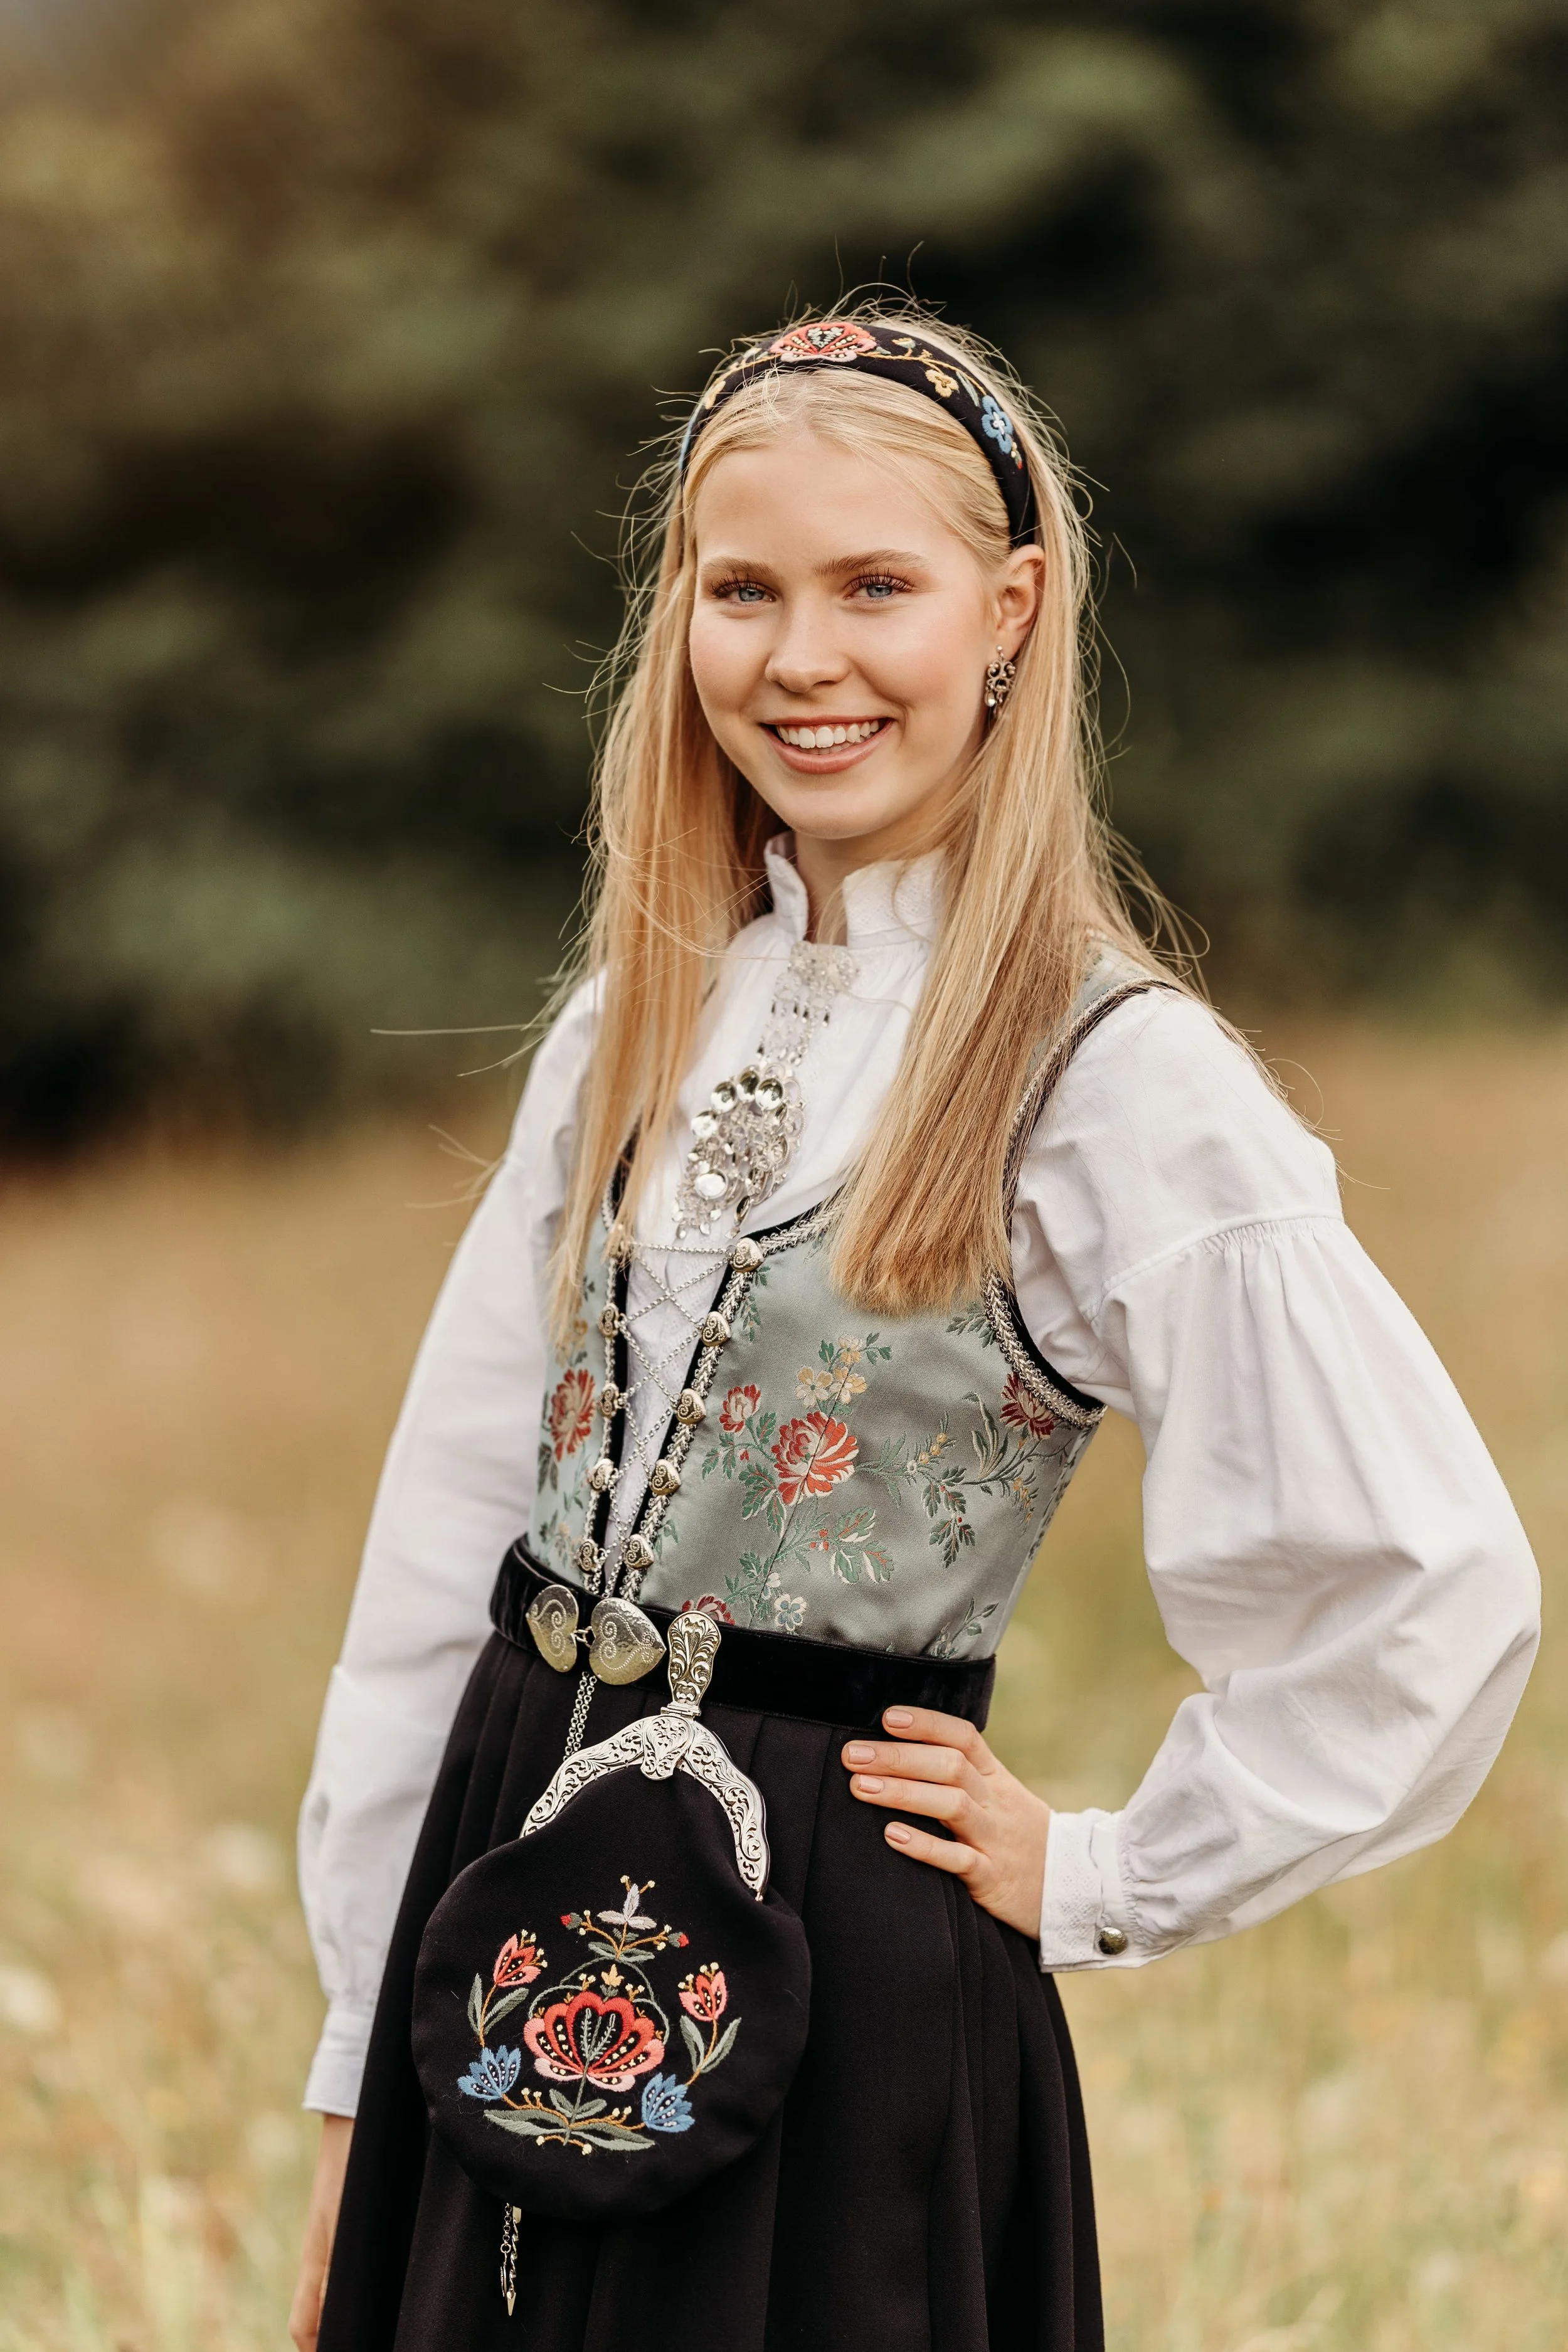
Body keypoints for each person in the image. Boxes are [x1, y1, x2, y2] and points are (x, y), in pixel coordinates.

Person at [289, 307, 1539, 2352]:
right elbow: (441, 1544)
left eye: (877, 585)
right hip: (502, 1883)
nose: (803, 658)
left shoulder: (1121, 1080)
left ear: (1009, 610)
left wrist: (1114, 1866)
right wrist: (360, 2033)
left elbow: (1427, 1580)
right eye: (744, 587)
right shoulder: (634, 1017)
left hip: (842, 1942)